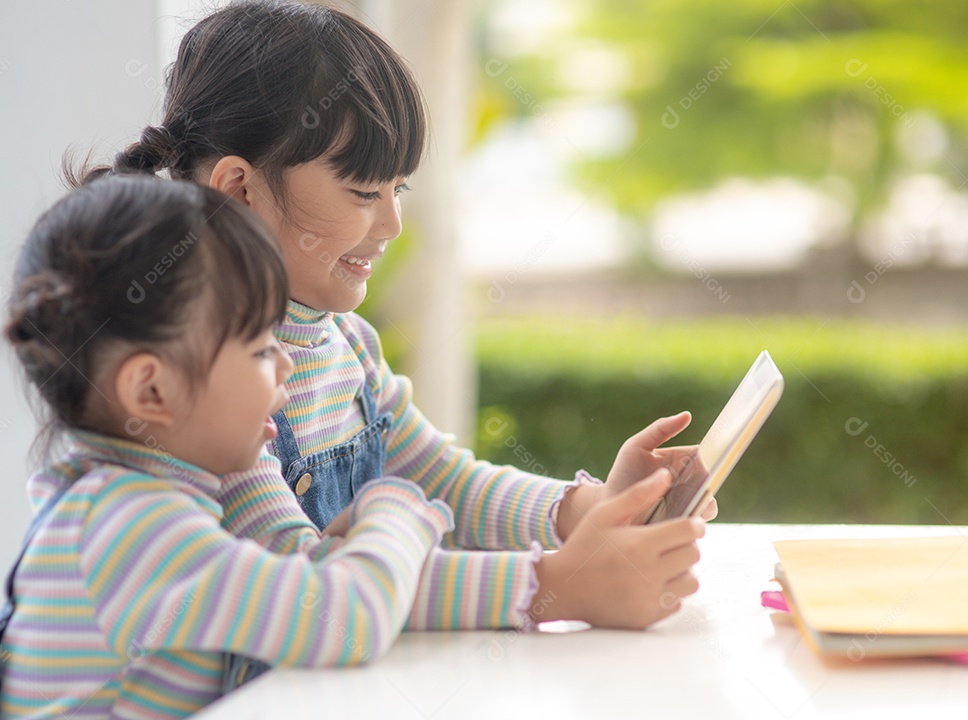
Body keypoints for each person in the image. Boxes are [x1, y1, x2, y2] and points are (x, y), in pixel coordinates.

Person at [84, 0, 709, 683]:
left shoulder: (346, 345)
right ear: (240, 188)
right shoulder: (208, 376)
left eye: (398, 187)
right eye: (361, 191)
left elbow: (443, 480)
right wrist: (553, 586)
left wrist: (586, 510)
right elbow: (312, 583)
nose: (392, 223)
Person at [0, 175, 455, 719]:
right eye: (261, 348)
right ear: (152, 389)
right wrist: (397, 511)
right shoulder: (129, 526)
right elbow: (347, 622)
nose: (287, 364)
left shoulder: (151, 501)